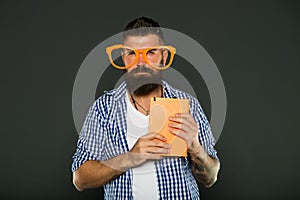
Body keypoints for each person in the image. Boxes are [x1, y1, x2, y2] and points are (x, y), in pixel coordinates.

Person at [71, 16, 220, 200]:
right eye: (132, 53)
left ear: (164, 56)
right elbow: (80, 178)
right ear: (123, 58)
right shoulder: (104, 109)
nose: (140, 62)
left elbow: (211, 177)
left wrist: (197, 150)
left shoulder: (188, 105)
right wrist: (131, 157)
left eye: (150, 52)